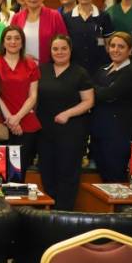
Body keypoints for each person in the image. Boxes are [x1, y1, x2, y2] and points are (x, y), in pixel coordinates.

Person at [36, 35, 94, 210]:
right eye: (55, 49)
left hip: (71, 133)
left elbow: (88, 101)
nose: (59, 52)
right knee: (47, 174)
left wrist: (68, 114)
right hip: (45, 133)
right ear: (50, 51)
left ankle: (64, 214)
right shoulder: (42, 70)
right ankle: (51, 213)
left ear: (70, 50)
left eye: (63, 48)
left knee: (67, 175)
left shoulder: (80, 73)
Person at [90, 32, 132, 182]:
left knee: (116, 179)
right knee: (103, 178)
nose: (116, 50)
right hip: (99, 132)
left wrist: (94, 89)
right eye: (112, 46)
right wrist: (98, 90)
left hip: (118, 135)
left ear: (130, 50)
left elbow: (107, 94)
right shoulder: (103, 70)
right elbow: (97, 92)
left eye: (121, 46)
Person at [0, 26, 42, 174]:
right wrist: (10, 119)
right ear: (3, 42)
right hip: (2, 126)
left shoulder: (31, 64)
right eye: (8, 38)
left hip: (26, 124)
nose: (13, 42)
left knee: (18, 174)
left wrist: (17, 117)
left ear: (22, 42)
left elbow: (33, 96)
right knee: (1, 173)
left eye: (17, 38)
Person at [10, 0, 68, 64]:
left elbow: (64, 43)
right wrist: (21, 56)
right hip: (21, 66)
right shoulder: (16, 17)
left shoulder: (54, 15)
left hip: (48, 67)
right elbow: (10, 44)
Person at [63, 0, 112, 76]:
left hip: (99, 67)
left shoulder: (104, 16)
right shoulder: (66, 18)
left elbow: (109, 44)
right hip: (74, 67)